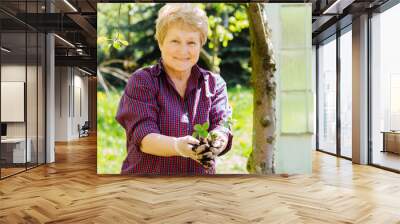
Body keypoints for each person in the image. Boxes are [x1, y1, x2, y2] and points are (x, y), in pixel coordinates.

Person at [116, 3, 233, 175]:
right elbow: (143, 137)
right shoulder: (142, 81)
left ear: (201, 45)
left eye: (191, 42)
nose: (183, 50)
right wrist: (178, 146)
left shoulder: (215, 85)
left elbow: (222, 126)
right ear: (161, 42)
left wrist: (216, 142)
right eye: (175, 41)